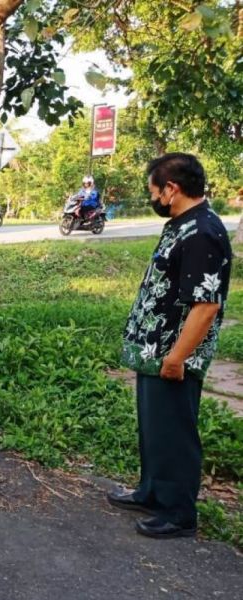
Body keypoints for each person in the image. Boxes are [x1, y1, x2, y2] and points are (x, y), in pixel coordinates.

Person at [108, 153, 232, 538]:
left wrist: (178, 356)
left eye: (154, 191)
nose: (154, 198)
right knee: (155, 428)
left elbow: (206, 305)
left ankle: (179, 513)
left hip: (173, 354)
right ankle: (151, 492)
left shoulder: (202, 233)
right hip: (155, 350)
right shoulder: (182, 225)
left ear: (171, 189)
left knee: (175, 432)